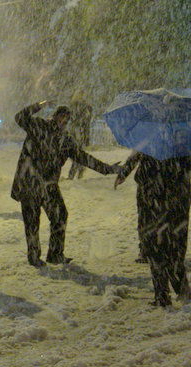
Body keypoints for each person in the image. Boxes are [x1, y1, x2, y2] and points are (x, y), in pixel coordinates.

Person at [11, 100, 121, 267]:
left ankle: (55, 254)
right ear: (54, 116)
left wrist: (108, 169)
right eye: (61, 117)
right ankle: (34, 256)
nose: (63, 121)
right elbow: (19, 117)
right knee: (32, 222)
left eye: (67, 119)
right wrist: (39, 105)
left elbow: (84, 158)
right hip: (30, 184)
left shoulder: (65, 140)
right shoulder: (38, 126)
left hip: (48, 185)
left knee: (60, 216)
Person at [115, 148, 191, 307]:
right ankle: (174, 292)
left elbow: (137, 152)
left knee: (161, 246)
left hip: (159, 195)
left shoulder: (152, 133)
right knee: (169, 245)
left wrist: (125, 172)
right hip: (169, 195)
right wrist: (124, 172)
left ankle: (168, 293)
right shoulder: (183, 135)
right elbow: (137, 152)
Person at [66, 95, 94, 180]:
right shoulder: (82, 108)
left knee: (76, 154)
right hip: (77, 132)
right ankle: (80, 170)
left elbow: (85, 123)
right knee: (76, 154)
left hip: (78, 133)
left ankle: (73, 174)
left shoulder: (83, 108)